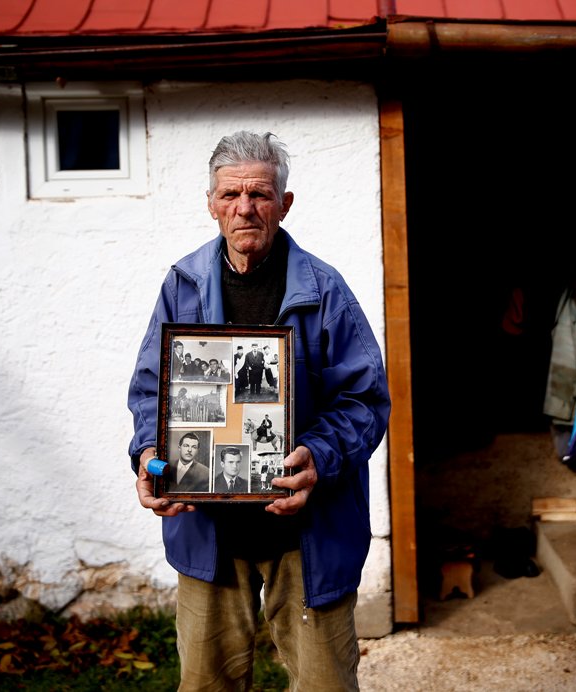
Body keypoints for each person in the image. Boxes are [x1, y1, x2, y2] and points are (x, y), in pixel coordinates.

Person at [127, 131, 391, 691]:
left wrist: (319, 455)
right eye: (230, 195)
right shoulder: (184, 284)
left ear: (284, 203)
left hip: (308, 533)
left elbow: (365, 399)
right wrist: (150, 457)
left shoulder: (325, 290)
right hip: (210, 533)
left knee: (325, 685)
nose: (244, 207)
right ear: (211, 203)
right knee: (206, 685)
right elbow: (153, 392)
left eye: (260, 194)